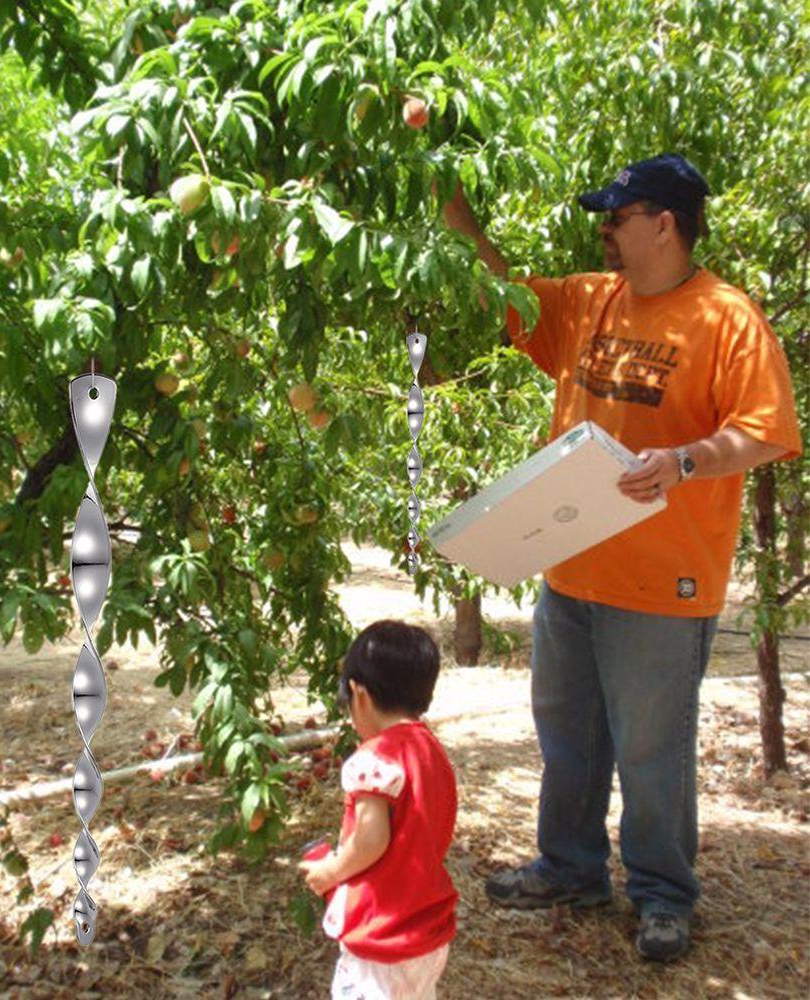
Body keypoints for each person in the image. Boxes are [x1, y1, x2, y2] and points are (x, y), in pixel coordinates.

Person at [439, 153, 802, 962]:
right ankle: (570, 867)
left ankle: (663, 894)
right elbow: (500, 287)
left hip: (663, 580)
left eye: (617, 215)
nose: (602, 229)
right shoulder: (588, 301)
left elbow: (765, 431)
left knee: (650, 748)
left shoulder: (725, 318)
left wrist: (684, 461)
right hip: (571, 562)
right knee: (567, 733)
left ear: (665, 224)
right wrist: (454, 211)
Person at [299, 619, 458, 999]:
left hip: (382, 932)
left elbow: (372, 840)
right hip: (427, 928)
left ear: (360, 695)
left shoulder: (372, 760)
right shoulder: (431, 751)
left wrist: (331, 871)